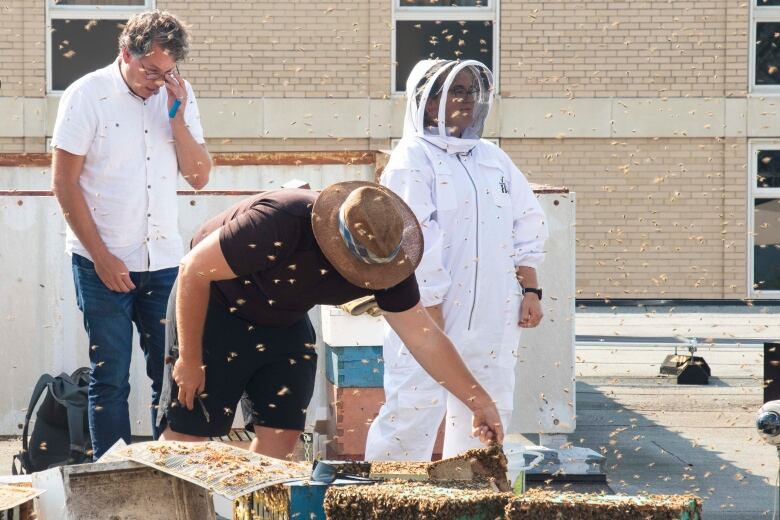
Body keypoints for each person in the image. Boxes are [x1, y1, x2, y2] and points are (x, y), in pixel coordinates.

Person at [157, 182, 504, 459]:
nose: (369, 274)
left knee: (282, 432)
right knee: (189, 434)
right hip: (216, 307)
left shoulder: (389, 261)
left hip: (285, 318)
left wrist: (480, 402)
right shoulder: (281, 220)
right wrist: (189, 358)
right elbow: (192, 270)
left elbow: (424, 337)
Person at [365, 59, 548, 461]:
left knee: (486, 409)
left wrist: (530, 288)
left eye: (470, 91)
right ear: (428, 105)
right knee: (413, 408)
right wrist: (430, 312)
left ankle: (471, 500)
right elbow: (414, 238)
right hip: (430, 312)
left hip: (494, 312)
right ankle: (387, 498)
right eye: (454, 91)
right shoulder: (412, 158)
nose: (465, 99)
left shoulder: (494, 158)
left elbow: (526, 220)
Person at [51, 10, 211, 459]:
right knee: (112, 376)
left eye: (168, 72)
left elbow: (198, 176)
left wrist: (177, 117)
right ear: (126, 53)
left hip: (163, 262)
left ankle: (169, 471)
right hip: (100, 262)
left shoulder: (177, 94)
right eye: (150, 71)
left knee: (171, 376)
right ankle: (112, 480)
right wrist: (101, 256)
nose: (158, 81)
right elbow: (63, 183)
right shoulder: (86, 95)